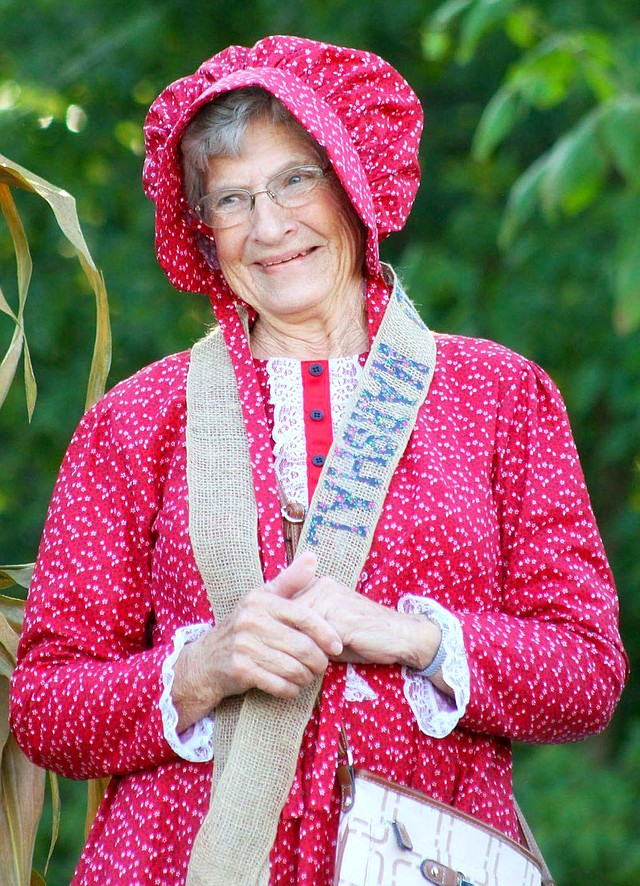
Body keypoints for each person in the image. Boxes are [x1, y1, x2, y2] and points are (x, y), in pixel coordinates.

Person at [10, 35, 627, 886]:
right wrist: (199, 668)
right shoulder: (137, 424)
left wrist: (413, 637)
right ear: (203, 231)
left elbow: (587, 671)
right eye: (231, 200)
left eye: (296, 178)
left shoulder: (499, 396)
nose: (270, 226)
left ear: (349, 180)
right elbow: (45, 709)